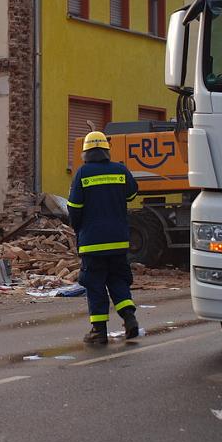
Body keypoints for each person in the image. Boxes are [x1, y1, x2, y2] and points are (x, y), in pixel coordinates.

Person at [67, 131, 140, 344]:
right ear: (106, 151)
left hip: (92, 241)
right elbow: (132, 194)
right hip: (118, 239)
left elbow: (74, 207)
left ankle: (99, 331)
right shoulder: (120, 170)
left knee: (94, 283)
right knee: (118, 279)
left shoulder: (83, 174)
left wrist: (78, 228)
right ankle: (129, 317)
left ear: (86, 153)